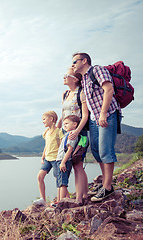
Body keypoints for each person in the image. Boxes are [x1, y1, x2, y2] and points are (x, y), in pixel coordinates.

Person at [72, 52, 121, 202]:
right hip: (94, 119)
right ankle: (106, 183)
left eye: (75, 61)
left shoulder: (97, 70)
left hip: (107, 115)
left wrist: (103, 113)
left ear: (84, 61)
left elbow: (109, 89)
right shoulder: (85, 79)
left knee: (106, 150)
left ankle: (107, 187)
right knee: (96, 150)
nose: (72, 64)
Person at [57, 68, 89, 205]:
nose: (64, 77)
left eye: (67, 75)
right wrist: (58, 127)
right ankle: (84, 193)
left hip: (78, 131)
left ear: (75, 79)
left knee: (77, 164)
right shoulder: (65, 94)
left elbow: (86, 115)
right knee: (72, 162)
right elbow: (63, 112)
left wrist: (77, 131)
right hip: (66, 131)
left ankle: (79, 199)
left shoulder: (81, 93)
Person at [34, 111, 64, 205]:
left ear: (51, 119)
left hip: (56, 159)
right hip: (47, 159)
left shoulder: (58, 131)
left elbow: (62, 145)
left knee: (58, 179)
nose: (43, 121)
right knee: (40, 176)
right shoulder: (46, 132)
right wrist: (42, 157)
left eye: (44, 119)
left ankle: (59, 200)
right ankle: (43, 199)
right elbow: (46, 146)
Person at [54, 115, 80, 204]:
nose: (64, 125)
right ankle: (63, 201)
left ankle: (61, 203)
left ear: (75, 124)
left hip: (63, 160)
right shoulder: (67, 134)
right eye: (64, 124)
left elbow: (70, 149)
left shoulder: (72, 134)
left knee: (62, 183)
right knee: (60, 181)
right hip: (60, 160)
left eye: (66, 123)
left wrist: (63, 162)